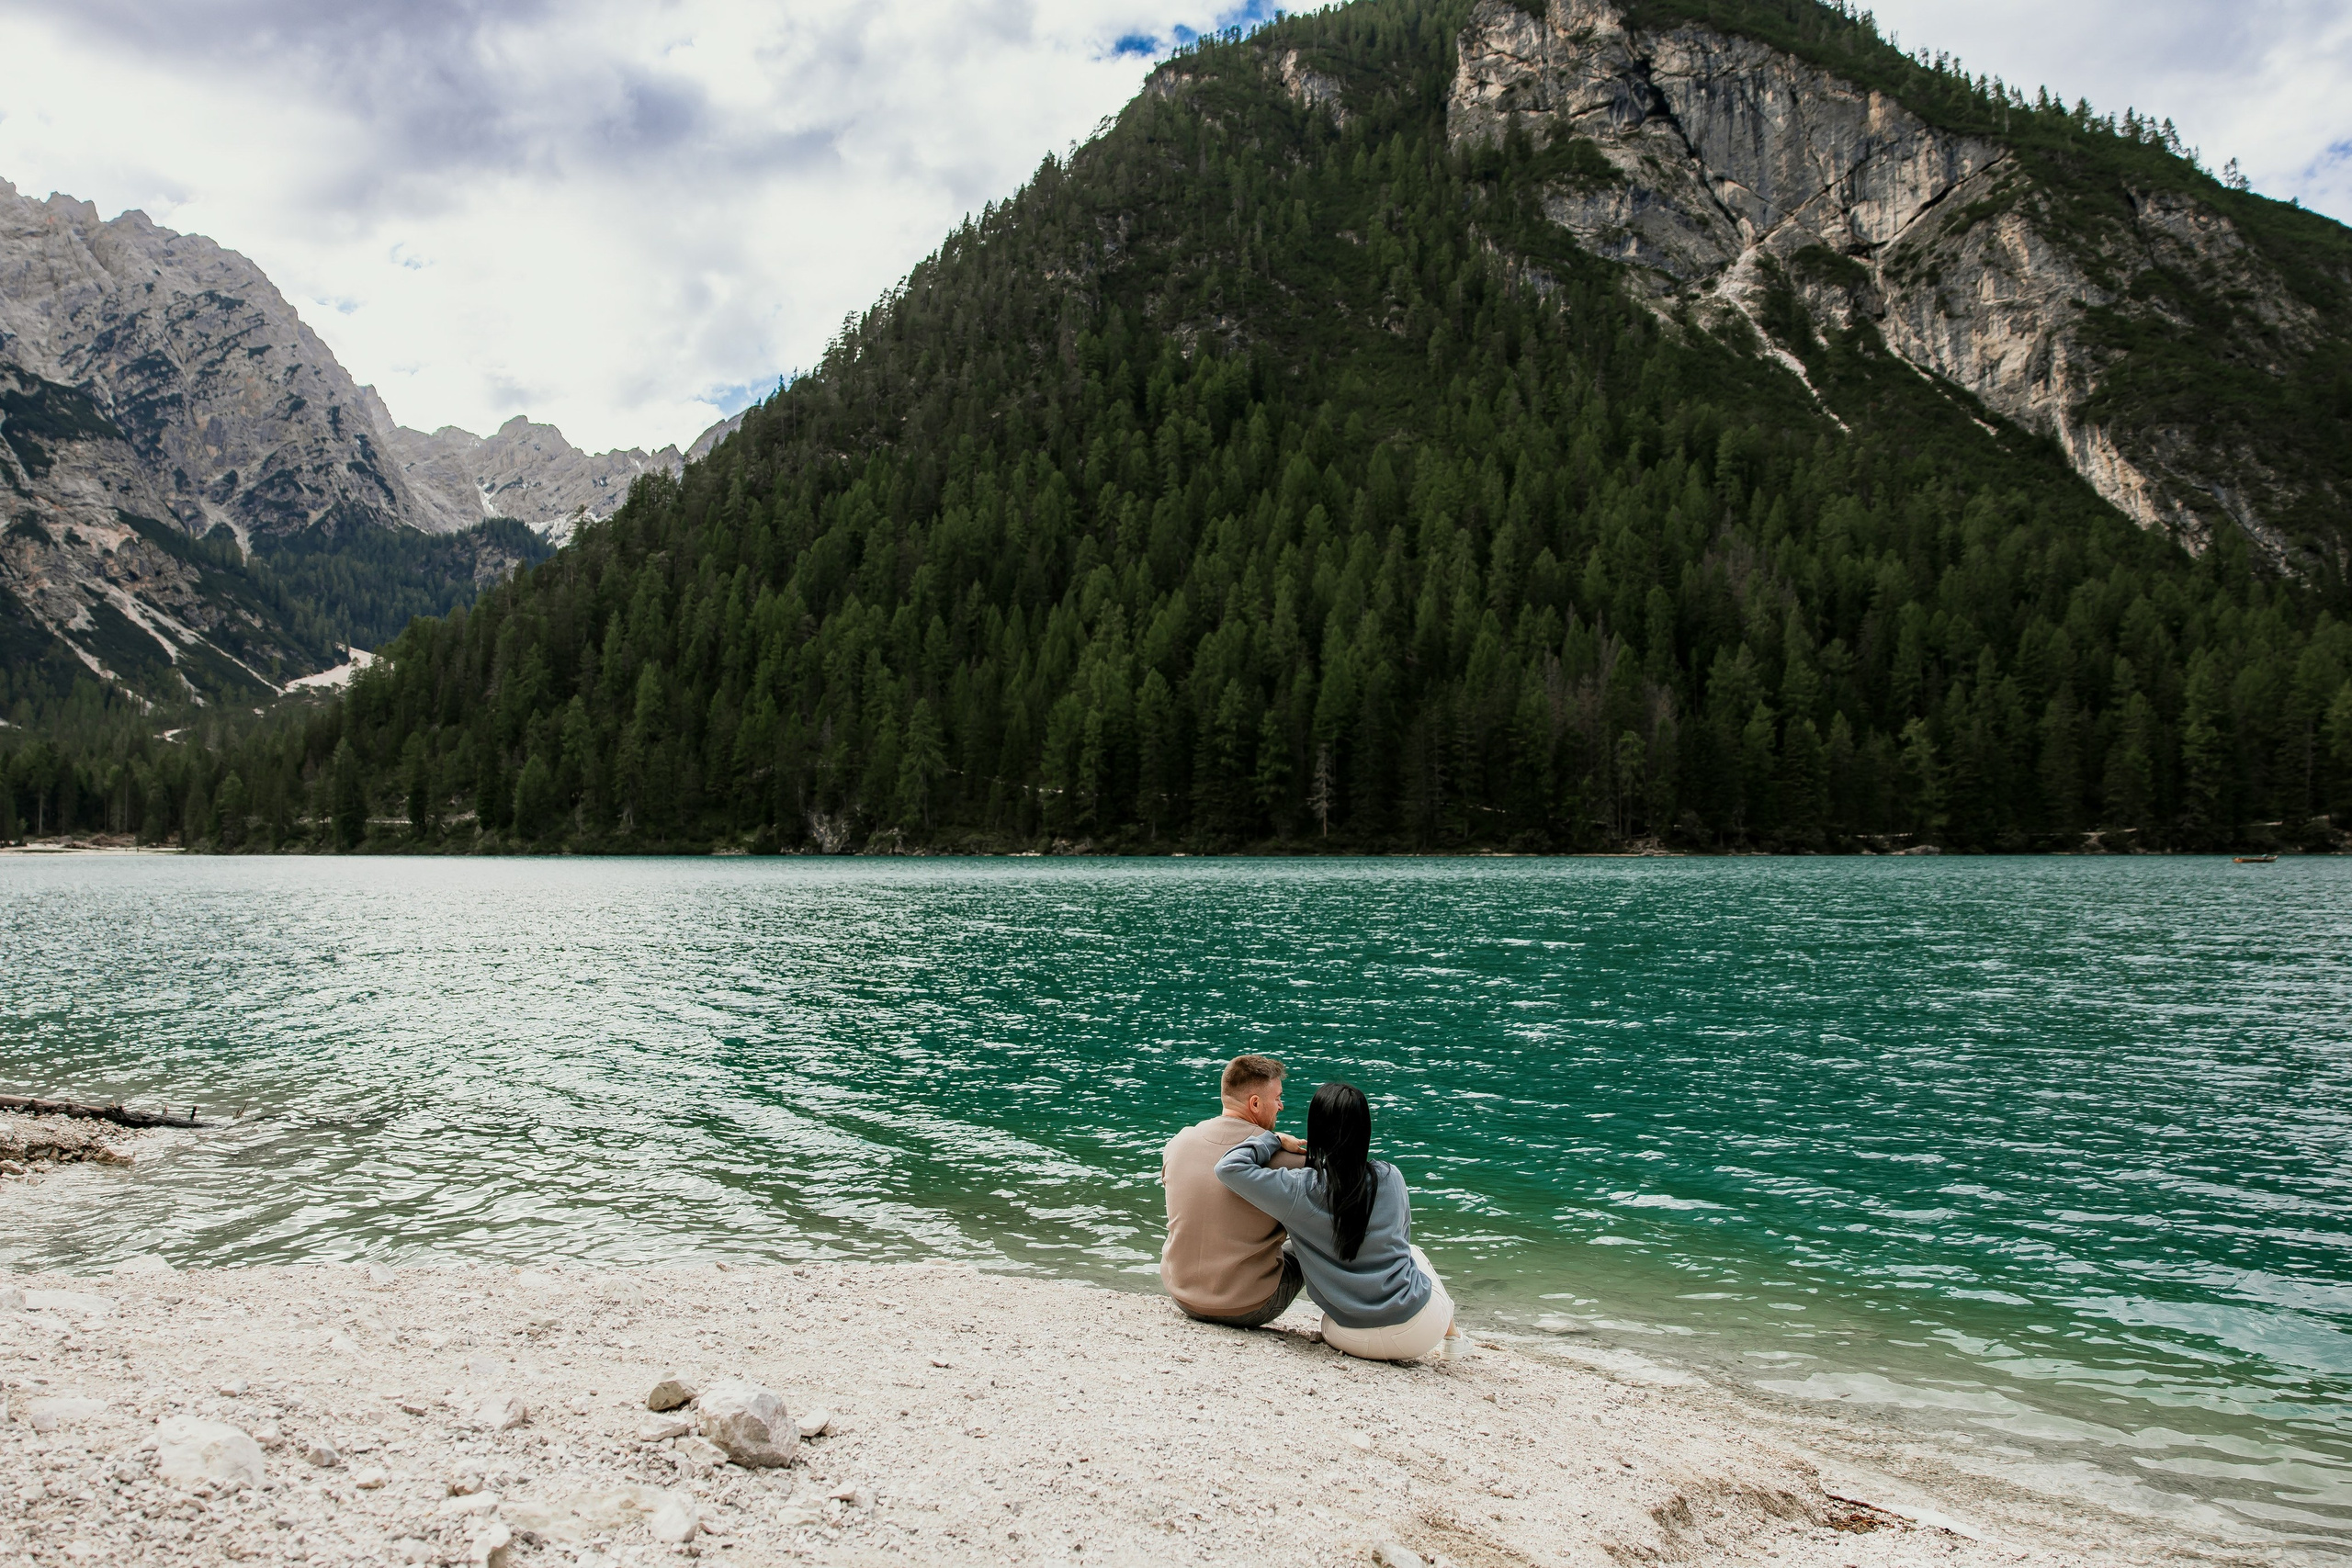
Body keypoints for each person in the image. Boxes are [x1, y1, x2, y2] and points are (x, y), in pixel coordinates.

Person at [1215, 1080, 1462, 1362]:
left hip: (1352, 1336)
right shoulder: (1390, 1177)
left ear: (1316, 1129)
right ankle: (1454, 1339)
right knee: (1414, 1253)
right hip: (1421, 1332)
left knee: (1327, 1321)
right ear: (1365, 1130)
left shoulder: (1297, 1189)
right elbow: (1402, 1242)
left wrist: (1273, 1139)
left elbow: (1228, 1167)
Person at [1159, 1054, 1309, 1327]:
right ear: (1255, 1103)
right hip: (1249, 1307)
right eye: (1277, 1098)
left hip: (1181, 1296)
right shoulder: (1288, 1162)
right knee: (1311, 1240)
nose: (1281, 1105)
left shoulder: (1178, 1143)